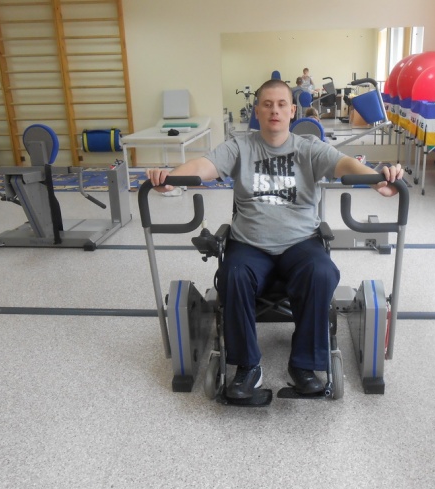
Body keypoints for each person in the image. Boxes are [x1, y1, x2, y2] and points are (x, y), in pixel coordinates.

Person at [147, 79, 403, 399]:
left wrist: (376, 179)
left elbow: (343, 163)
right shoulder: (240, 146)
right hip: (250, 245)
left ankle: (304, 366)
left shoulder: (309, 147)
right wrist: (172, 178)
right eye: (267, 105)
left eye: (281, 104)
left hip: (301, 243)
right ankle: (247, 367)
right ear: (257, 111)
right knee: (233, 274)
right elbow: (205, 165)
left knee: (322, 272)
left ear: (292, 110)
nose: (274, 111)